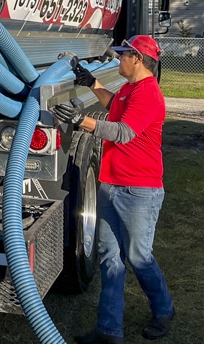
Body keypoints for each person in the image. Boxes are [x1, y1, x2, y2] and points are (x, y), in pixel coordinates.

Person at [52, 35, 175, 344]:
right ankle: (109, 331)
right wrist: (91, 82)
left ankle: (163, 310)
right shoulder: (130, 89)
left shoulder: (148, 94)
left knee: (138, 256)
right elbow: (114, 105)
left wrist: (83, 120)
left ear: (138, 59)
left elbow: (122, 132)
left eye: (123, 55)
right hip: (113, 184)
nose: (118, 59)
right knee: (110, 256)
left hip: (139, 191)